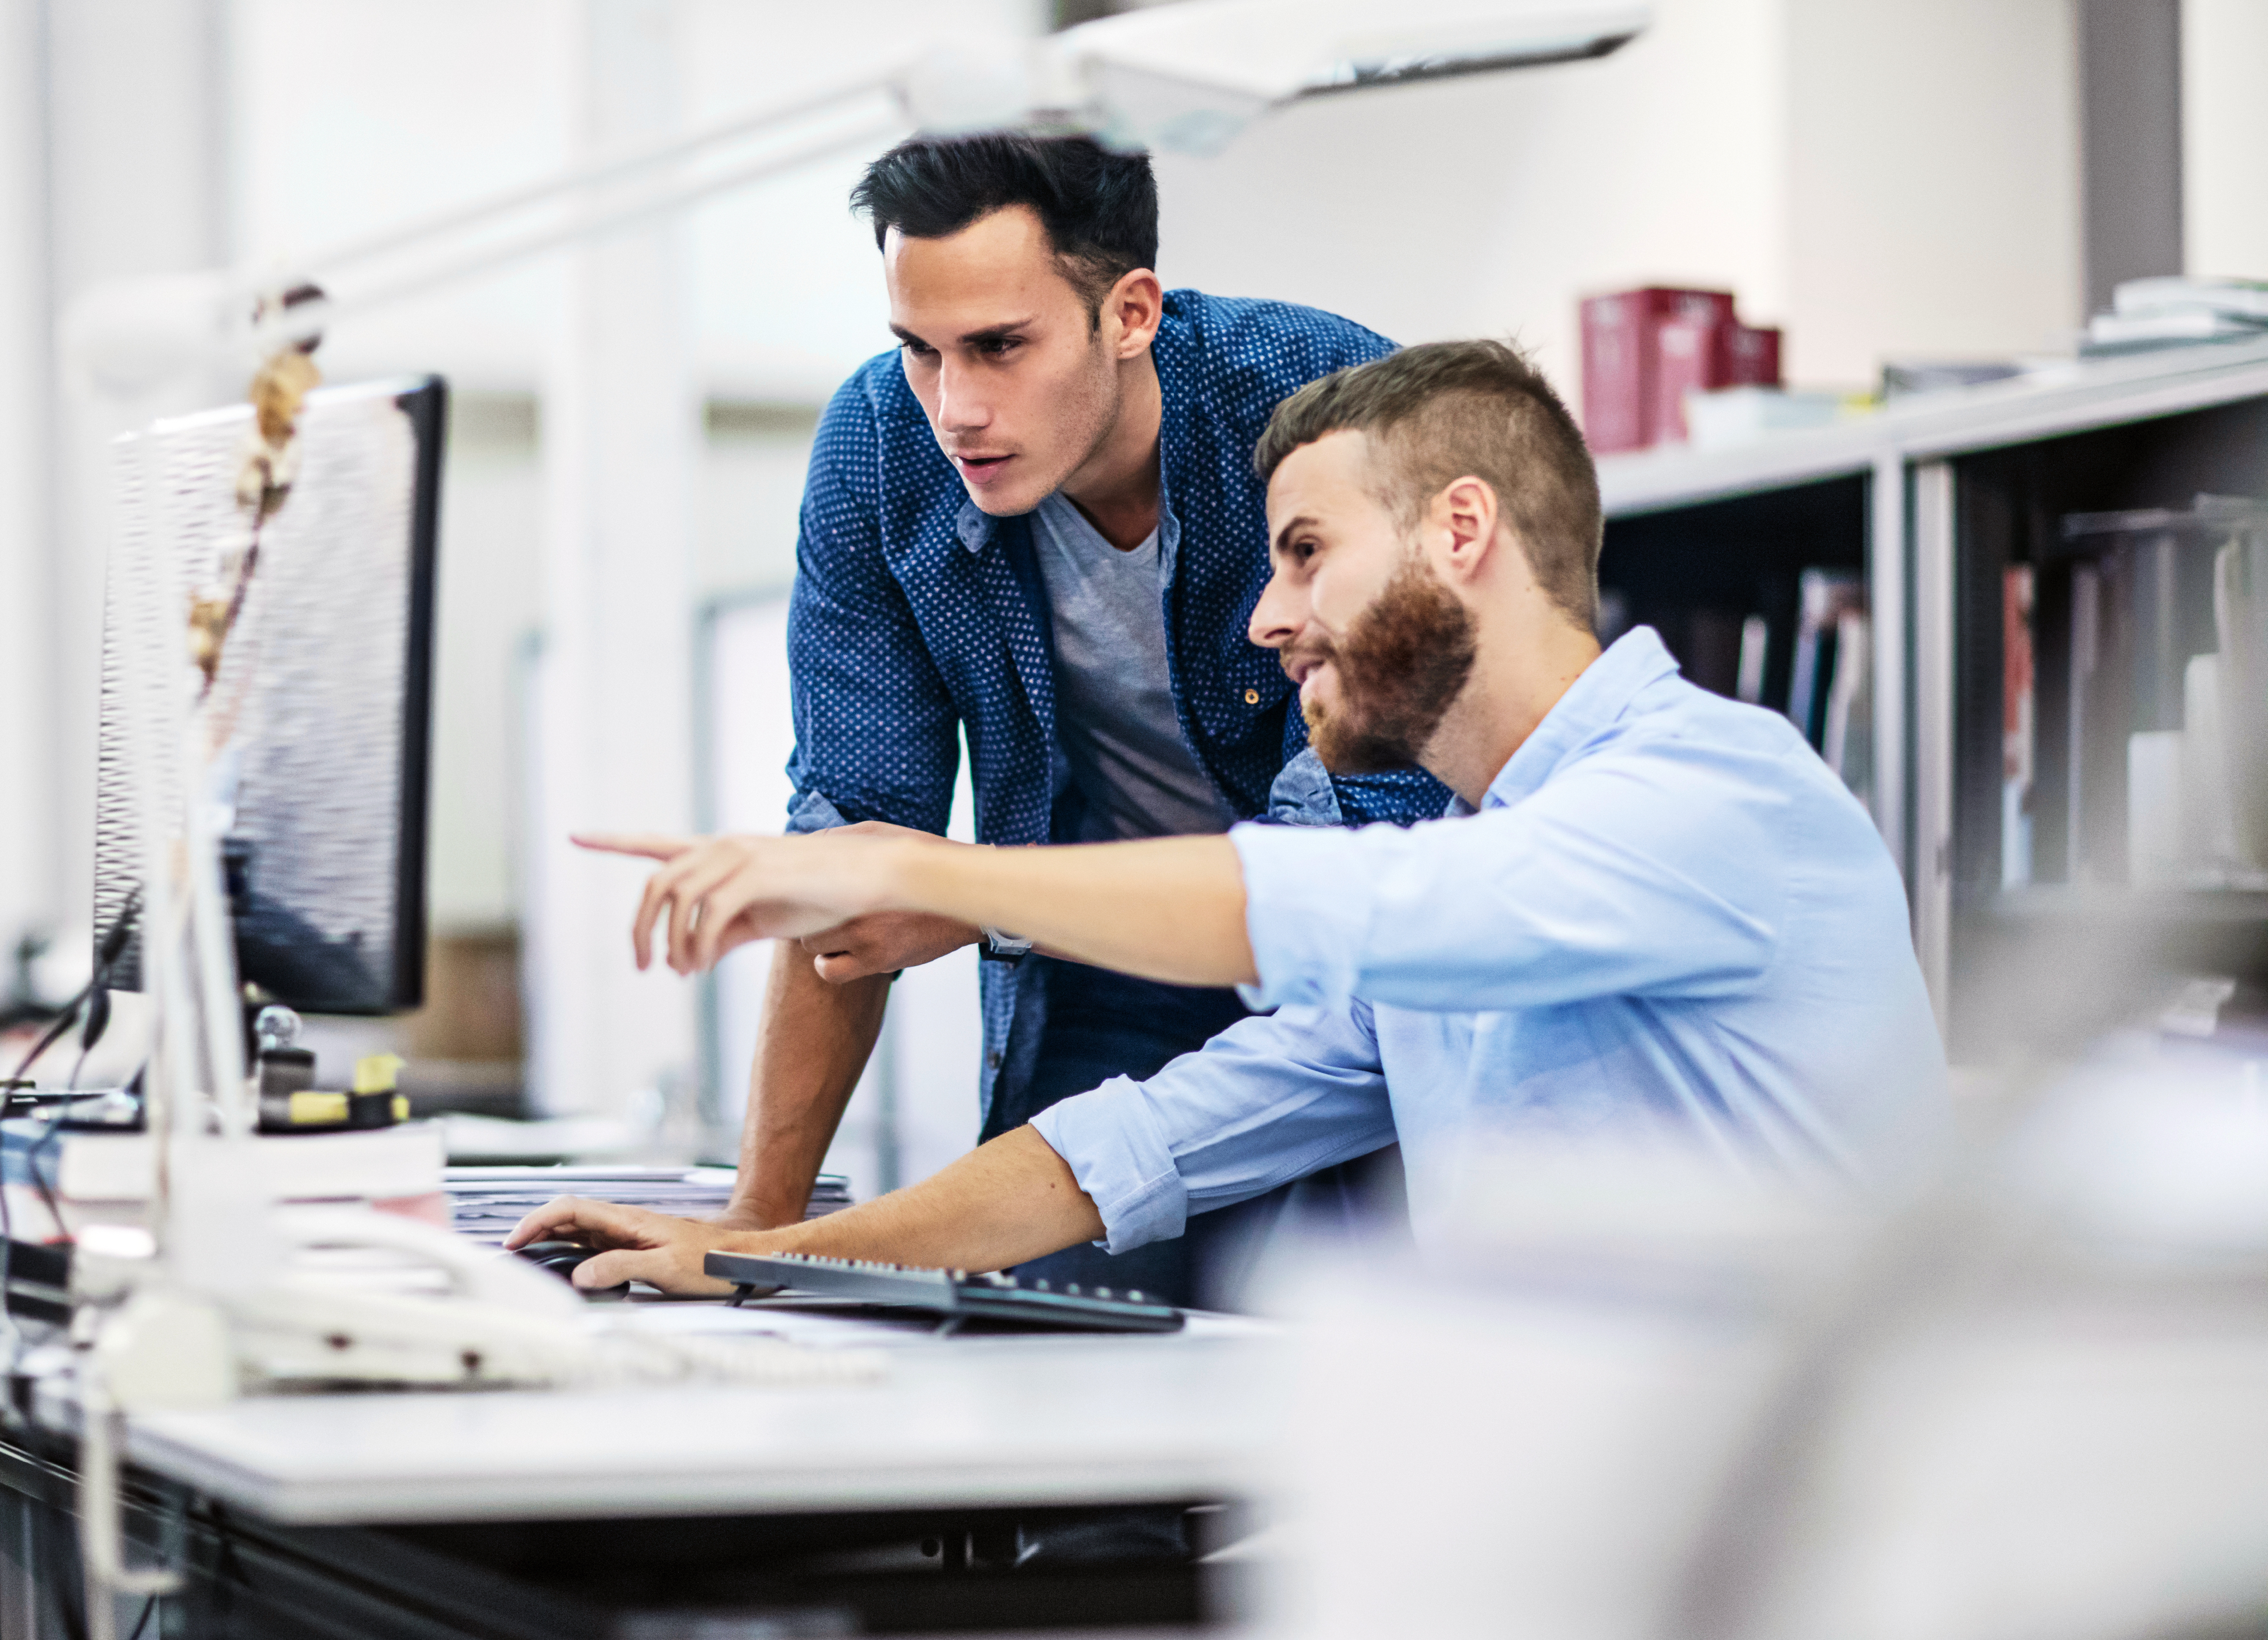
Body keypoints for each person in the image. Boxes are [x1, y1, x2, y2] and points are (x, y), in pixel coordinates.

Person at [519, 340, 1952, 1289]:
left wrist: (926, 869)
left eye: (1306, 553)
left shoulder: (1711, 796)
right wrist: (764, 1255)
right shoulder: (1473, 880)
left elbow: (1319, 905)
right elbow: (1135, 1145)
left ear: (1461, 533)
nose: (1267, 617)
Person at [722, 133, 1449, 1305]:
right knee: (1049, 1334)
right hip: (1092, 961)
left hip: (1354, 969)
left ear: (1131, 311)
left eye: (1001, 347)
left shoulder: (1326, 411)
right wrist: (756, 1228)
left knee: (1349, 1344)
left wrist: (971, 899)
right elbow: (854, 848)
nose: (955, 408)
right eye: (921, 351)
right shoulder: (879, 447)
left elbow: (1350, 873)